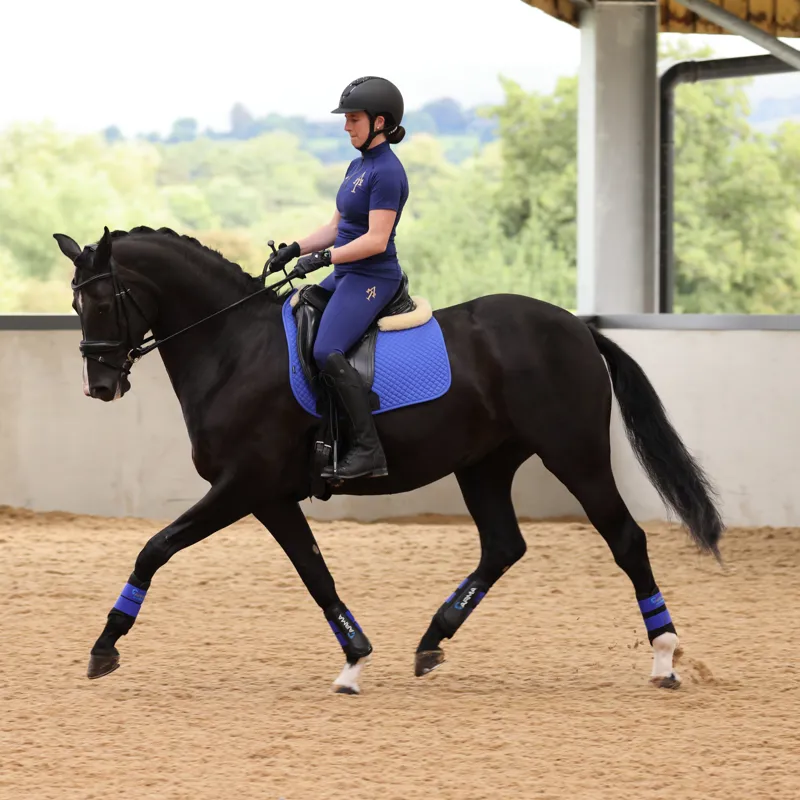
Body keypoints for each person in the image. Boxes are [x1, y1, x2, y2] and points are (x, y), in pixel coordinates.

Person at [268, 76, 409, 481]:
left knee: (326, 349)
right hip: (345, 273)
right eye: (346, 119)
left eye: (353, 119)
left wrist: (323, 258)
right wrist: (295, 249)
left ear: (379, 122)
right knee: (297, 314)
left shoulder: (388, 172)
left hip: (372, 278)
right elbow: (337, 226)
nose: (347, 126)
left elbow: (376, 240)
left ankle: (368, 449)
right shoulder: (357, 165)